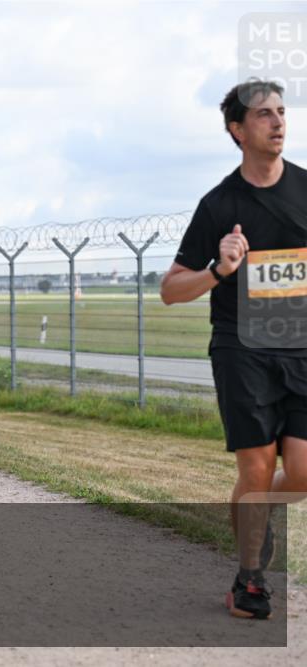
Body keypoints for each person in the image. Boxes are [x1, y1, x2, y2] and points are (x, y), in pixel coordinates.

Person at [161, 80, 307, 621]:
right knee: (256, 465)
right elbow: (171, 290)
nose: (278, 121)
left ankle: (258, 513)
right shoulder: (219, 205)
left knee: (302, 470)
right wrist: (219, 270)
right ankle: (249, 580)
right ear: (237, 130)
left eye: (281, 111)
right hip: (241, 348)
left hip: (301, 347)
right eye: (264, 114)